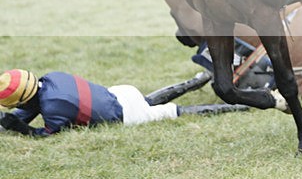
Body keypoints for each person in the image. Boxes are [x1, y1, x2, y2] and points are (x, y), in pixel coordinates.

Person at [0, 68, 260, 137]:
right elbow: (32, 104)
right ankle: (199, 79)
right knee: (150, 100)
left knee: (178, 112)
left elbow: (47, 133)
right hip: (122, 93)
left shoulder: (53, 109)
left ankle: (241, 105)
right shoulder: (51, 78)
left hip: (125, 116)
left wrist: (21, 129)